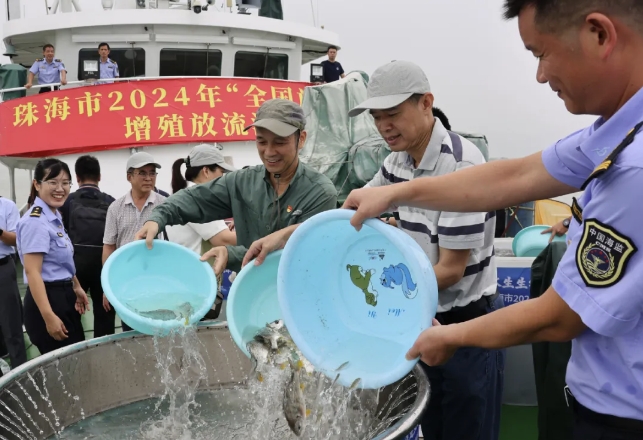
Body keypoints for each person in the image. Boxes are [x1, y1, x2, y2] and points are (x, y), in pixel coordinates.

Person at [341, 1, 643, 439]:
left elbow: (560, 316)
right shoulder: (613, 133)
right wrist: (393, 191)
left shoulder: (634, 167)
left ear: (599, 34)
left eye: (541, 53)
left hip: (622, 417)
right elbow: (518, 174)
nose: (540, 75)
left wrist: (453, 337)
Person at [243, 60, 504, 440]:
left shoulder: (461, 164)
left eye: (393, 115)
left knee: (468, 427)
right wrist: (282, 236)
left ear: (426, 103)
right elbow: (352, 212)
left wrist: (378, 300)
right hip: (417, 320)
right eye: (377, 117)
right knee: (432, 425)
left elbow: (451, 269)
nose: (384, 127)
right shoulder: (396, 162)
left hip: (465, 324)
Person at [134, 98, 338, 276]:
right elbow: (195, 199)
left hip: (298, 293)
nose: (269, 152)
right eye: (261, 141)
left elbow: (297, 249)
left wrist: (229, 253)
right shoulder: (242, 181)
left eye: (279, 142)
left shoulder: (320, 192)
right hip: (250, 291)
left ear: (301, 139)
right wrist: (157, 218)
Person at [16, 159, 90, 355]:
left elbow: (60, 260)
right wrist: (48, 316)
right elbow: (33, 272)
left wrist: (76, 285)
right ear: (37, 184)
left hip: (63, 296)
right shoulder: (36, 221)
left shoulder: (54, 217)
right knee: (64, 369)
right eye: (53, 182)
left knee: (76, 360)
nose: (60, 188)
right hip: (47, 301)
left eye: (65, 183)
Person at [167, 144, 238, 319]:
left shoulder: (187, 195)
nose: (224, 180)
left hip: (188, 285)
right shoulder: (198, 198)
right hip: (196, 289)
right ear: (206, 171)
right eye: (221, 173)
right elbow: (225, 240)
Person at [102, 152, 166, 332]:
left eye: (152, 173)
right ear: (129, 177)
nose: (148, 178)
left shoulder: (165, 205)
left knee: (159, 329)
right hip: (126, 280)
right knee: (130, 330)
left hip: (157, 278)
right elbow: (109, 247)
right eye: (142, 173)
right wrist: (107, 286)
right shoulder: (116, 208)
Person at [61, 155, 115, 338]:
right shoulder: (111, 203)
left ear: (77, 177)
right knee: (105, 314)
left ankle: (79, 350)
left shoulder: (67, 202)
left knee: (74, 313)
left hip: (75, 269)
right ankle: (105, 351)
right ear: (99, 176)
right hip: (104, 266)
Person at [0, 196, 27, 372]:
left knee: (11, 323)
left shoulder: (7, 206)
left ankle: (21, 374)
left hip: (2, 268)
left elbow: (17, 239)